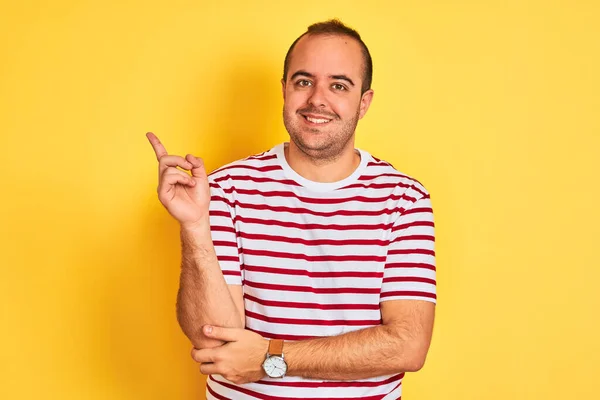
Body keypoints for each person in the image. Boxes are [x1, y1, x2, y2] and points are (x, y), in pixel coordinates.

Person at [147, 19, 436, 400]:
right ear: (284, 90)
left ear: (363, 102)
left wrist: (272, 357)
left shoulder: (405, 199)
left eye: (338, 85)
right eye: (303, 81)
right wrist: (196, 228)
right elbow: (216, 342)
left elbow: (407, 345)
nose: (317, 99)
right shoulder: (225, 188)